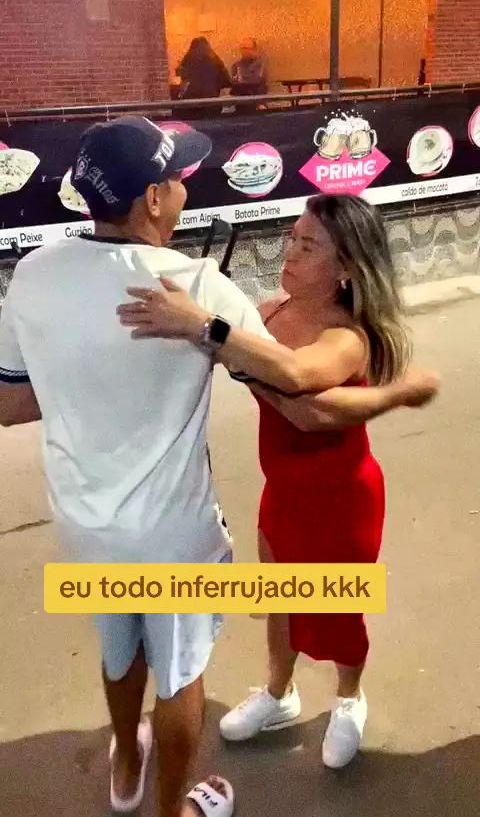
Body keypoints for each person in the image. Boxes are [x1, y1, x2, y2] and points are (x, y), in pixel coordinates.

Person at [0, 115, 277, 817]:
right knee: (180, 674)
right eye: (176, 178)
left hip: (84, 526)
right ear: (152, 199)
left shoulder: (33, 274)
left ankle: (127, 761)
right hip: (172, 536)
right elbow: (288, 381)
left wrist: (80, 377)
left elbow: (9, 404)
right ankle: (173, 814)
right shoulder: (198, 286)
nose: (183, 189)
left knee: (119, 647)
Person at [116, 194, 440, 774]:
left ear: (346, 268)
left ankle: (349, 698)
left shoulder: (347, 337)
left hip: (341, 498)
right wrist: (199, 330)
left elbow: (305, 402)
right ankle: (278, 692)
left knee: (339, 607)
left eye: (308, 246)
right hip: (283, 489)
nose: (289, 252)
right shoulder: (269, 312)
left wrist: (213, 334)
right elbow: (230, 357)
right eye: (291, 238)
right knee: (280, 598)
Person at [175, 37, 231, 119]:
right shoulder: (215, 61)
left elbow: (181, 79)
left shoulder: (187, 61)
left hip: (191, 104)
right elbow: (226, 82)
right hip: (212, 103)